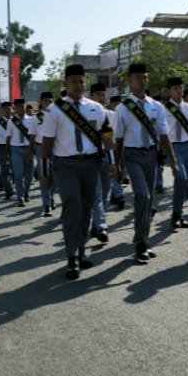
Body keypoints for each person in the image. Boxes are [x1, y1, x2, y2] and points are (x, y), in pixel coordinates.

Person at [40, 64, 112, 280]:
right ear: (65, 84)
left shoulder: (96, 108)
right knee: (73, 206)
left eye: (82, 81)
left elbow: (107, 137)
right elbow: (46, 144)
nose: (79, 85)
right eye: (74, 81)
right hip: (65, 165)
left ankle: (81, 251)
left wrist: (113, 163)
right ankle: (71, 256)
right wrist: (44, 173)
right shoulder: (54, 111)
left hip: (90, 164)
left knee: (87, 209)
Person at [112, 63, 177, 264]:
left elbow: (164, 134)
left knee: (148, 200)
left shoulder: (156, 106)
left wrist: (173, 161)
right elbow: (119, 139)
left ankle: (143, 240)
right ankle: (140, 243)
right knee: (142, 194)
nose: (142, 80)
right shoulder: (123, 108)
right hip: (132, 155)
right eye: (138, 77)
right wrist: (117, 164)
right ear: (130, 80)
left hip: (151, 155)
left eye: (144, 77)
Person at [163, 77, 188, 230]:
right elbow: (162, 132)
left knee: (184, 182)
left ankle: (178, 213)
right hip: (173, 148)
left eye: (180, 88)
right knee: (181, 177)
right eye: (175, 88)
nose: (178, 91)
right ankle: (176, 214)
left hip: (187, 147)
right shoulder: (164, 108)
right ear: (169, 91)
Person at [88, 82, 113, 242]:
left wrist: (115, 161)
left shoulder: (111, 114)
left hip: (106, 155)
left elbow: (113, 139)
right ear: (92, 97)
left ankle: (96, 223)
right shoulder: (86, 112)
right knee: (96, 194)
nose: (102, 98)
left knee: (105, 191)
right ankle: (101, 226)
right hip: (92, 157)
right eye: (99, 95)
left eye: (104, 95)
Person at [29, 92, 58, 216]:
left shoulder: (58, 116)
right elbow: (32, 136)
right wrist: (30, 153)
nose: (48, 103)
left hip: (56, 148)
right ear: (41, 102)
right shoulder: (36, 118)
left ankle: (51, 197)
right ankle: (46, 204)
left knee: (55, 176)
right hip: (41, 148)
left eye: (50, 100)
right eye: (45, 100)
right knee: (44, 175)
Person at [6, 98, 33, 207]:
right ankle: (20, 197)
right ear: (15, 108)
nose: (20, 108)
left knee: (29, 174)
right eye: (18, 107)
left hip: (28, 149)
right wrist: (7, 153)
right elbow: (8, 137)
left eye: (22, 106)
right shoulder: (11, 121)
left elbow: (33, 137)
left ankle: (26, 192)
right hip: (16, 149)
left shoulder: (31, 120)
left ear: (25, 107)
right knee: (18, 174)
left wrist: (32, 152)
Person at [105, 95, 126, 210]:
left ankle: (116, 194)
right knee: (113, 171)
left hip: (119, 147)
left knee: (118, 170)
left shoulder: (123, 115)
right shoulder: (107, 114)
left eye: (119, 104)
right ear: (111, 105)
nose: (117, 107)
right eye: (115, 104)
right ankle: (119, 195)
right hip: (108, 148)